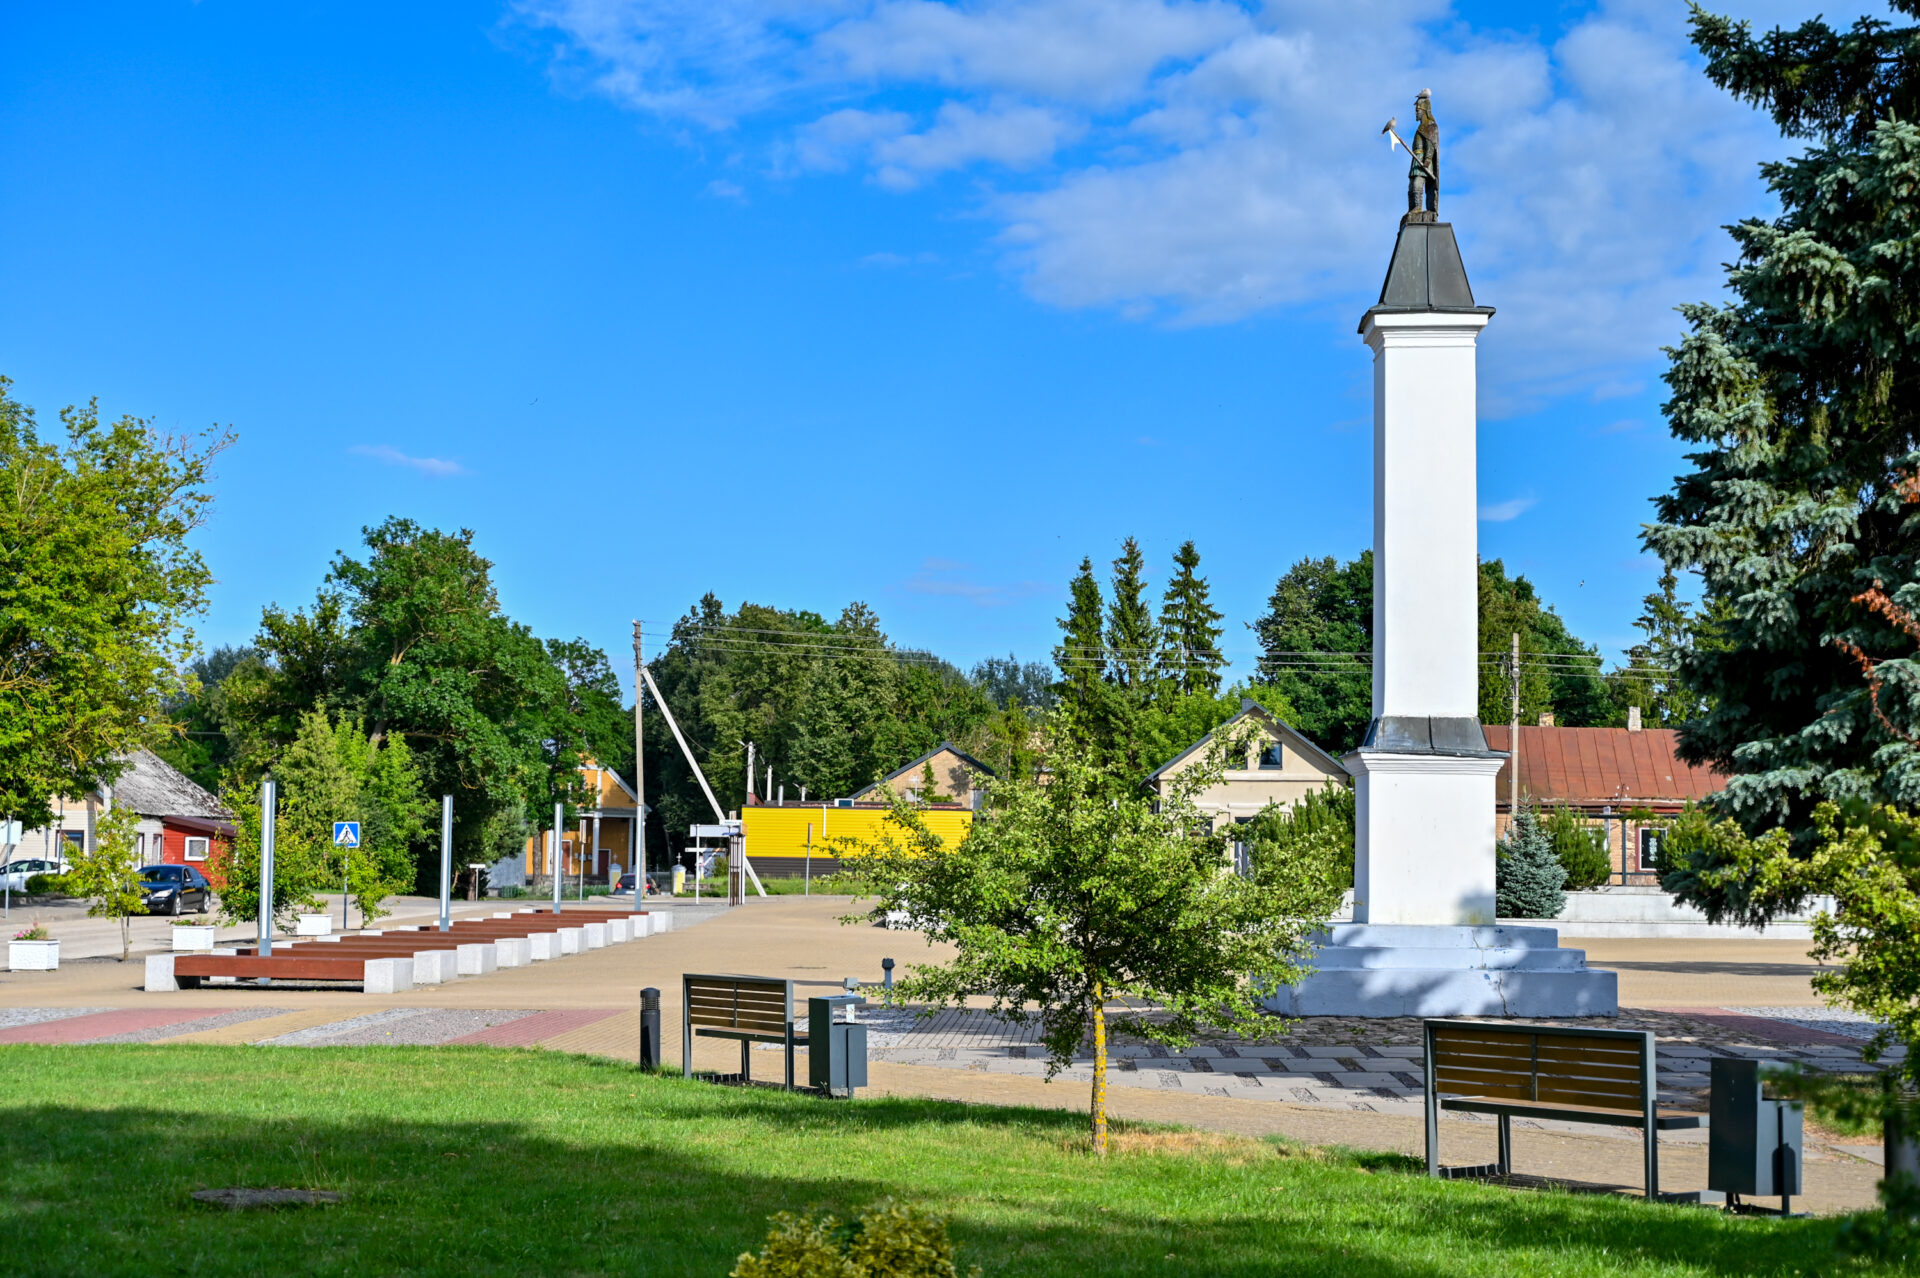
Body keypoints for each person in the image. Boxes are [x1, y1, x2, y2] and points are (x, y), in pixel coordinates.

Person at [1407, 89, 1438, 218]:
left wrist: (1426, 161)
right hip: (1416, 159)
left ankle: (1418, 208)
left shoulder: (1429, 126)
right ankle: (1414, 208)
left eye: (1417, 110)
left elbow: (1430, 146)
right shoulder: (1420, 127)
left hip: (1423, 162)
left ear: (1424, 111)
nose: (1416, 113)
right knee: (1411, 187)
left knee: (1417, 185)